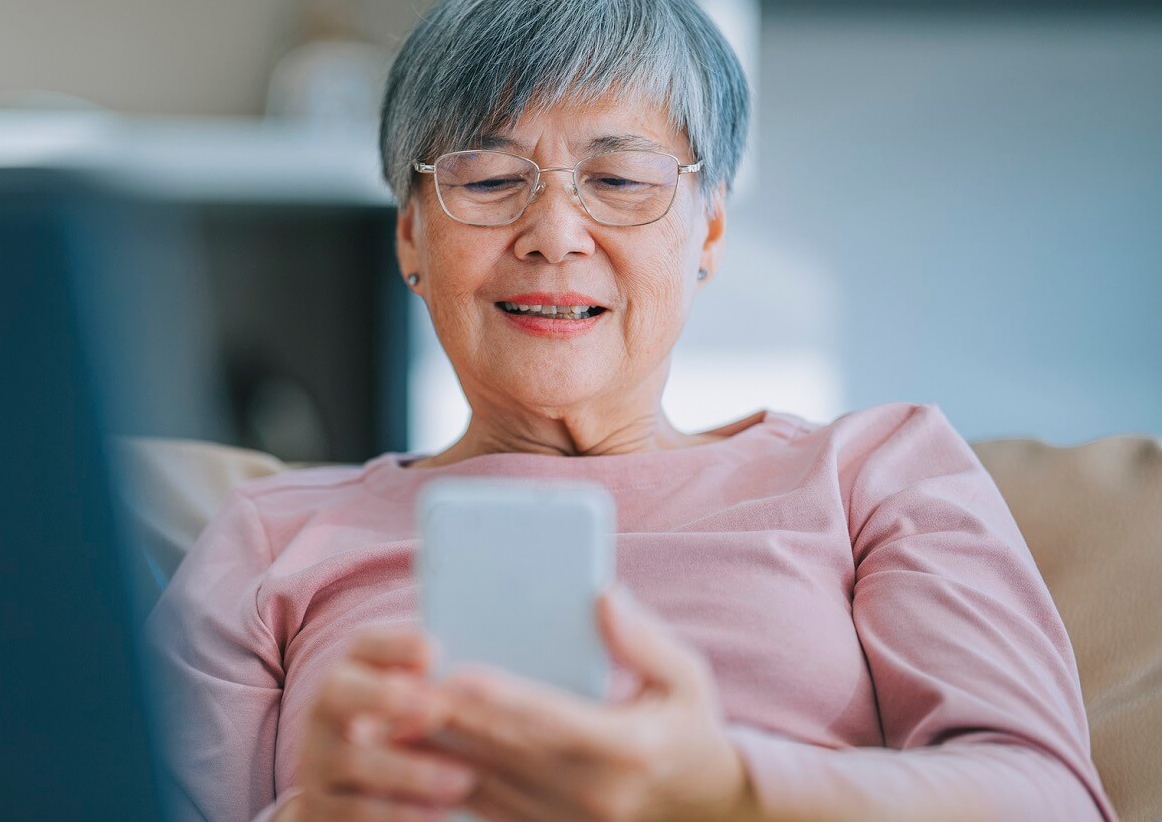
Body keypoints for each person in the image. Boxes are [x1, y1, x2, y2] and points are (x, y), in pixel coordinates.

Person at [143, 0, 1117, 819]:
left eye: (617, 179)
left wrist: (725, 787)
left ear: (711, 228)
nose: (555, 233)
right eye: (486, 180)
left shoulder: (874, 472)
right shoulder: (267, 536)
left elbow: (1047, 796)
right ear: (409, 236)